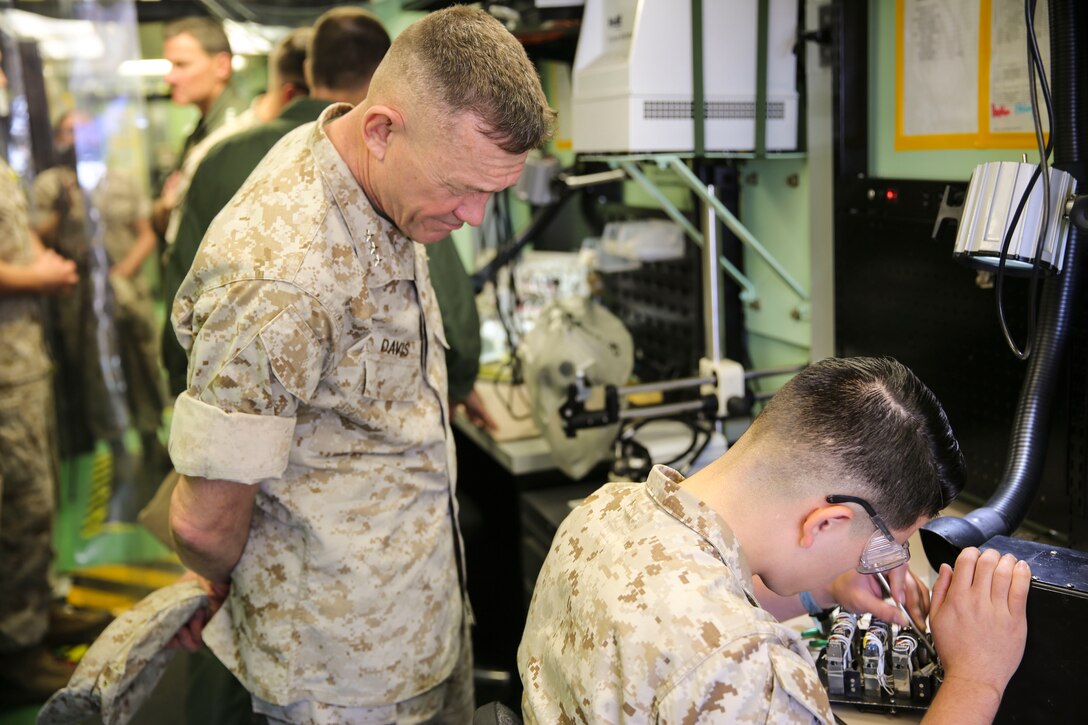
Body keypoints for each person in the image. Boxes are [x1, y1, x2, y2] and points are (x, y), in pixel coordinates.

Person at [167, 6, 554, 723]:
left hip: (422, 619)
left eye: (490, 192)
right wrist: (224, 576)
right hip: (341, 674)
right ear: (381, 128)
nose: (473, 216)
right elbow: (202, 524)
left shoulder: (379, 179)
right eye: (462, 187)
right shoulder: (280, 275)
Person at [518, 356, 1032, 724]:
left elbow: (673, 610)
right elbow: (712, 648)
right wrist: (976, 679)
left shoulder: (604, 509)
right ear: (825, 523)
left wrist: (825, 590)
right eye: (882, 546)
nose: (874, 564)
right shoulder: (745, 673)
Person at [161, 8, 491, 427]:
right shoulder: (390, 170)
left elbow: (182, 298)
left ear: (310, 71)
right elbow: (452, 311)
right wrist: (458, 383)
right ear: (386, 76)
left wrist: (191, 400)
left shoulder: (220, 158)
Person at [0, 48, 90, 702]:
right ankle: (15, 649)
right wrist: (38, 275)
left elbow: (17, 237)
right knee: (19, 505)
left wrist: (43, 250)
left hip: (23, 363)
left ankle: (35, 609)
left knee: (38, 498)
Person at [32, 110, 168, 520]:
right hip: (79, 300)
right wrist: (60, 208)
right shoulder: (50, 186)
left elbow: (146, 232)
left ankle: (150, 437)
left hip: (126, 290)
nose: (76, 138)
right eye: (68, 131)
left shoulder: (120, 180)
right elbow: (37, 239)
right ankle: (113, 449)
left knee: (142, 361)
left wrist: (125, 270)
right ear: (58, 139)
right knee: (94, 370)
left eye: (83, 131)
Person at [152, 15, 248, 238]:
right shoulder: (201, 131)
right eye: (170, 66)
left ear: (222, 66)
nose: (170, 77)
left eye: (182, 65)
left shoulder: (236, 133)